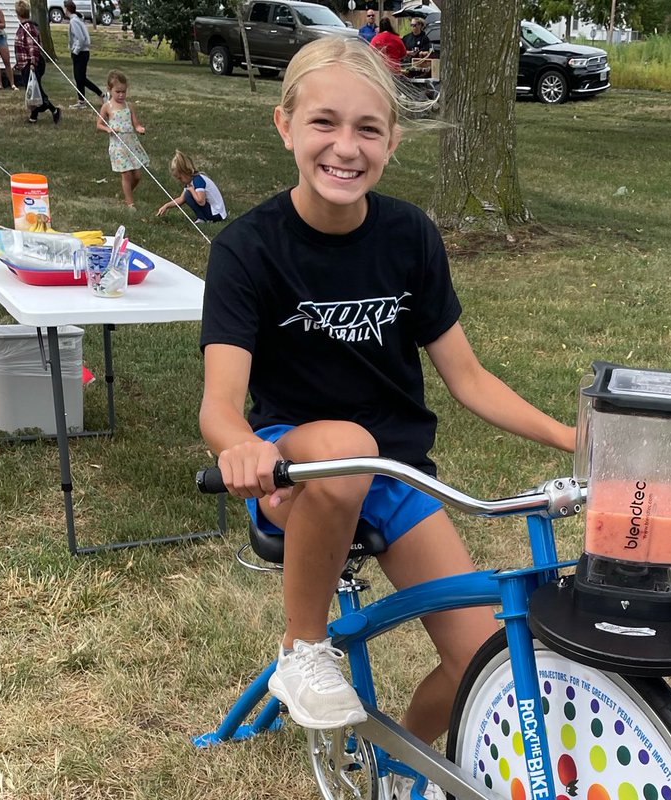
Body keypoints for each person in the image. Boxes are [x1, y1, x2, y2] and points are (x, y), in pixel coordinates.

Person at [199, 36, 575, 800]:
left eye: (368, 129)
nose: (346, 146)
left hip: (398, 478)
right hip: (295, 465)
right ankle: (303, 649)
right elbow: (219, 404)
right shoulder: (248, 248)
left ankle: (409, 765)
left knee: (483, 658)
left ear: (393, 141)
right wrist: (240, 448)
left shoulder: (410, 237)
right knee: (348, 446)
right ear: (285, 125)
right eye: (325, 124)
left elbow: (467, 378)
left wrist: (577, 440)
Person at [96, 69, 149, 208]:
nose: (121, 95)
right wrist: (109, 129)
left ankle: (127, 195)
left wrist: (139, 129)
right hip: (118, 146)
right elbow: (99, 124)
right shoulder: (107, 107)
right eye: (117, 92)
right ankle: (130, 204)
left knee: (137, 176)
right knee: (126, 175)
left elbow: (136, 124)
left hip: (131, 143)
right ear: (109, 89)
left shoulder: (129, 106)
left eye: (123, 92)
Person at [13, 1, 60, 124]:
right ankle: (33, 117)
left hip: (31, 64)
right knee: (33, 90)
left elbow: (33, 47)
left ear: (18, 13)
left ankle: (53, 110)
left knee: (36, 91)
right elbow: (21, 48)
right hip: (24, 64)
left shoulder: (28, 27)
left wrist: (33, 64)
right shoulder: (23, 27)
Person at [156, 150, 228, 223]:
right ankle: (203, 217)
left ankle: (203, 218)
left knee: (188, 194)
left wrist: (191, 190)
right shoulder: (190, 182)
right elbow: (181, 199)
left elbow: (201, 201)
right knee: (187, 194)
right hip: (214, 212)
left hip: (217, 213)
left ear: (186, 172)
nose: (180, 181)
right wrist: (166, 206)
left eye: (180, 178)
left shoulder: (198, 180)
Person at [64, 0, 104, 108]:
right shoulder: (77, 19)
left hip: (81, 53)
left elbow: (81, 38)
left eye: (64, 8)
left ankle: (101, 94)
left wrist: (75, 51)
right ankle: (81, 101)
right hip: (82, 52)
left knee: (80, 78)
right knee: (79, 78)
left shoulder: (74, 21)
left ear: (67, 9)